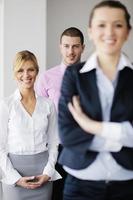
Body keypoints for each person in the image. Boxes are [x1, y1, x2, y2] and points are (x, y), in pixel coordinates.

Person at [58, 1, 133, 200]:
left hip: (127, 186)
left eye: (117, 25)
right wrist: (121, 137)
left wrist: (91, 126)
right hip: (80, 187)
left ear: (127, 32)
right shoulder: (74, 75)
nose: (109, 32)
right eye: (101, 25)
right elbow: (67, 134)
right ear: (90, 31)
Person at [0, 50, 61, 200]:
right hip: (14, 174)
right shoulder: (6, 105)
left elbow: (54, 142)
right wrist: (15, 178)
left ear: (37, 71)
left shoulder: (48, 105)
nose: (26, 75)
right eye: (20, 70)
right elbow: (0, 146)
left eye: (30, 69)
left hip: (43, 174)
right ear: (15, 74)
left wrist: (48, 172)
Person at [36, 27, 85, 200]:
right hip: (56, 148)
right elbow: (38, 116)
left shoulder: (92, 76)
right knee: (57, 194)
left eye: (75, 46)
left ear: (83, 48)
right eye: (66, 46)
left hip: (85, 147)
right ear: (60, 47)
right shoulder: (46, 78)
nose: (70, 51)